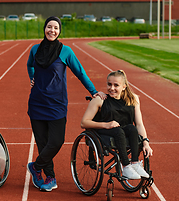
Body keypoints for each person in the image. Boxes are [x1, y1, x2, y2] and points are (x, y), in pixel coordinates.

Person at [26, 16, 106, 192]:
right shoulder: (35, 49)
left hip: (56, 104)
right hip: (37, 103)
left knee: (56, 141)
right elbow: (30, 64)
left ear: (59, 31)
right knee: (42, 143)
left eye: (55, 28)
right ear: (44, 29)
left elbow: (80, 72)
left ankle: (35, 167)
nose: (52, 30)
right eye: (49, 27)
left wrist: (93, 92)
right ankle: (51, 178)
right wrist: (32, 77)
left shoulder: (66, 51)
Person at [81, 70, 153, 179]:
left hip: (122, 131)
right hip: (103, 131)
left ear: (124, 87)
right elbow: (84, 122)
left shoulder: (133, 99)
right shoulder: (100, 100)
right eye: (109, 84)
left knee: (132, 128)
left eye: (116, 85)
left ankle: (135, 163)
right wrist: (106, 124)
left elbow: (139, 124)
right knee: (119, 131)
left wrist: (145, 142)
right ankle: (126, 167)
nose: (112, 88)